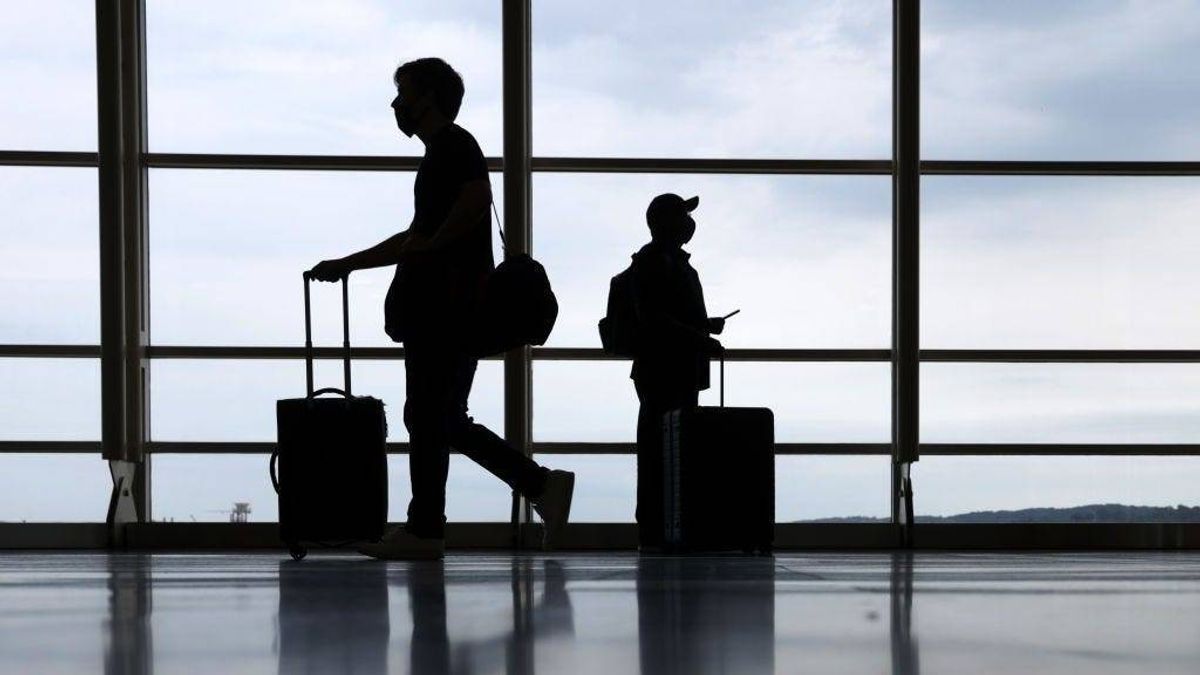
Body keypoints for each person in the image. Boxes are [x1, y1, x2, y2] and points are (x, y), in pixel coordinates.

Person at [309, 57, 574, 559]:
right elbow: (415, 237)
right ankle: (526, 490)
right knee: (438, 417)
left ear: (428, 97)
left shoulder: (454, 145)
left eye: (404, 93)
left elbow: (471, 203)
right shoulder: (442, 154)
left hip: (445, 312)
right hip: (447, 311)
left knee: (430, 415)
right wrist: (351, 263)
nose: (396, 104)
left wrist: (430, 249)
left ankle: (432, 526)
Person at [628, 193, 725, 550]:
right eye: (684, 215)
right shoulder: (655, 262)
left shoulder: (669, 262)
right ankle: (655, 531)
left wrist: (704, 326)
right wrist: (699, 339)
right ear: (667, 221)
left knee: (671, 451)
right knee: (659, 452)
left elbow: (669, 315)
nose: (690, 222)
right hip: (664, 370)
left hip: (675, 369)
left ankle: (668, 528)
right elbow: (654, 319)